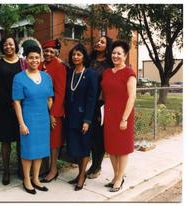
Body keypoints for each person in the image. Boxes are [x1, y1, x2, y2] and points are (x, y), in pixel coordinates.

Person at [12, 45, 54, 195]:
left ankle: (36, 179)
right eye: (31, 57)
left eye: (37, 57)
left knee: (40, 150)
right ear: (26, 59)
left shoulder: (47, 77)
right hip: (28, 119)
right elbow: (16, 102)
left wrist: (50, 115)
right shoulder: (19, 78)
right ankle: (27, 180)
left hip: (43, 119)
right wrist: (21, 123)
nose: (34, 60)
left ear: (41, 58)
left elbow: (49, 99)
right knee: (28, 151)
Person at [101, 40, 136, 192]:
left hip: (123, 115)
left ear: (125, 55)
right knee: (112, 147)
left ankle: (120, 178)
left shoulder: (129, 73)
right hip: (109, 113)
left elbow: (132, 97)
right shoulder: (107, 72)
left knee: (122, 148)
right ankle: (116, 176)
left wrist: (124, 119)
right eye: (113, 53)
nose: (115, 56)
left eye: (119, 53)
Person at [65, 43, 98, 191]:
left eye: (78, 54)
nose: (75, 57)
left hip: (84, 117)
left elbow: (92, 98)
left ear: (84, 56)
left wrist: (87, 120)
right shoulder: (70, 72)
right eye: (73, 54)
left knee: (84, 147)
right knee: (75, 147)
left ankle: (81, 177)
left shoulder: (90, 73)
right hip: (71, 117)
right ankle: (80, 174)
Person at [0, 36, 22, 185]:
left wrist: (18, 101)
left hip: (22, 108)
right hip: (4, 108)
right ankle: (6, 171)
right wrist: (10, 101)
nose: (8, 46)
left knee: (20, 141)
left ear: (15, 45)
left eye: (10, 44)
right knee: (6, 141)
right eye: (5, 44)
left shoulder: (23, 63)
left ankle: (21, 169)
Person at [86, 35, 114, 179]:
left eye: (102, 42)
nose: (98, 43)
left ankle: (97, 166)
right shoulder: (89, 61)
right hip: (86, 103)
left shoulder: (110, 64)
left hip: (101, 104)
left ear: (107, 47)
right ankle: (92, 165)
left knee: (98, 137)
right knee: (89, 136)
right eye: (98, 41)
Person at [39, 39, 66, 183]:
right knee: (43, 140)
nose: (48, 54)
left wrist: (53, 114)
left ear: (56, 53)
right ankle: (44, 168)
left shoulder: (59, 67)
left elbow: (60, 93)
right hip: (39, 110)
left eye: (51, 51)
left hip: (53, 110)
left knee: (54, 143)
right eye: (46, 51)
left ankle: (53, 169)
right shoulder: (40, 65)